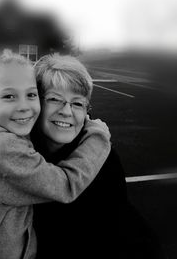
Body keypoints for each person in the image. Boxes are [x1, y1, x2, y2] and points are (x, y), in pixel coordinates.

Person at [0, 49, 111, 259]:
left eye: (31, 95)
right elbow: (65, 186)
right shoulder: (1, 150)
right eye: (9, 96)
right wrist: (98, 134)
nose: (24, 106)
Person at [31, 54, 167, 259]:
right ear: (34, 102)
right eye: (54, 99)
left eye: (77, 103)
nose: (66, 111)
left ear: (87, 111)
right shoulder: (15, 153)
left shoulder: (104, 160)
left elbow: (114, 229)